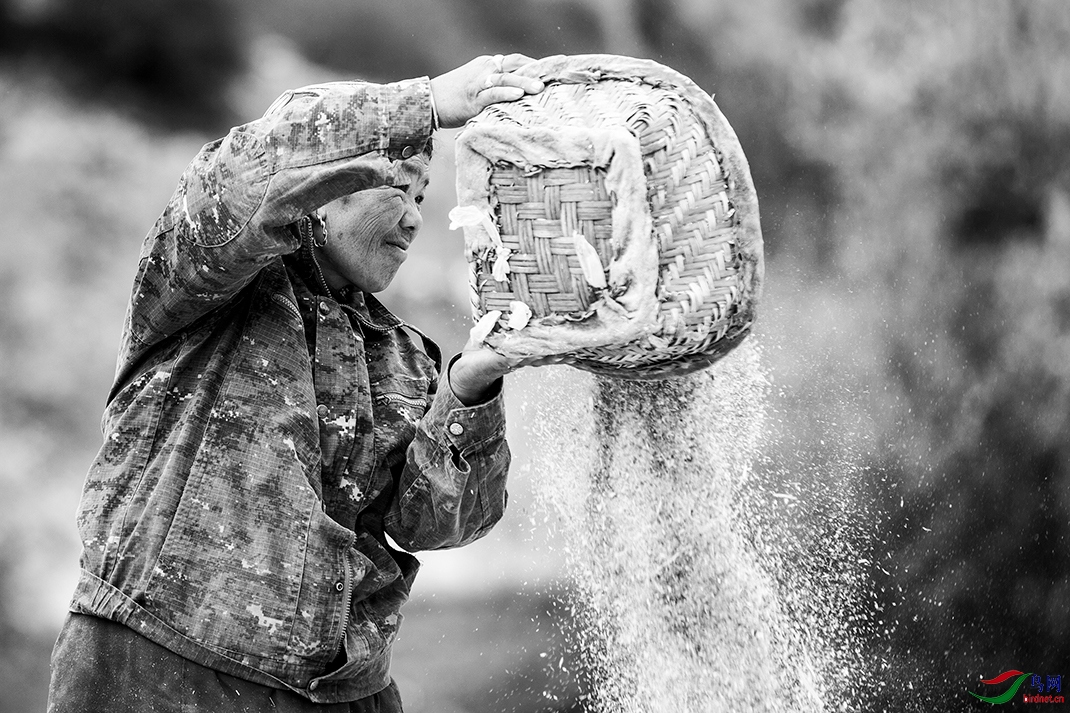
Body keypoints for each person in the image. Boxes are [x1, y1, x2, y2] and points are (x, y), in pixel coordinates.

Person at [47, 54, 549, 712]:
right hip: (154, 663)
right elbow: (249, 172)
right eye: (399, 186)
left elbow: (438, 522)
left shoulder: (404, 356)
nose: (414, 219)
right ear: (321, 188)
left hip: (341, 692)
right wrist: (425, 103)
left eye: (425, 198)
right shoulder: (201, 276)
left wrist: (472, 387)